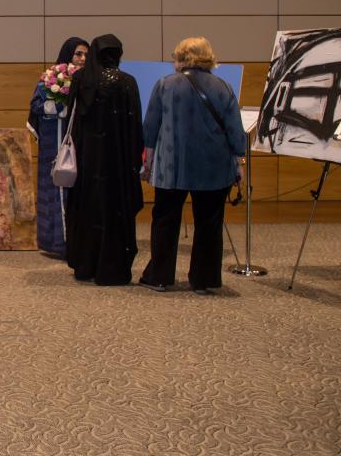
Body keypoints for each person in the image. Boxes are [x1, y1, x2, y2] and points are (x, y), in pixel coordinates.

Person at [138, 37, 247, 295]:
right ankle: (204, 280)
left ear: (182, 57)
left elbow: (150, 129)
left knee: (165, 220)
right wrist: (239, 162)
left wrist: (148, 163)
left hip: (172, 167)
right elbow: (235, 133)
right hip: (214, 167)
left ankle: (160, 276)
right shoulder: (224, 87)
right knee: (209, 223)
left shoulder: (165, 85)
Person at [64, 34, 144, 286]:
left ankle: (85, 263)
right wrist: (134, 158)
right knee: (114, 210)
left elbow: (72, 120)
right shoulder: (127, 82)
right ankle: (111, 267)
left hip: (87, 159)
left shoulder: (80, 79)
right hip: (116, 161)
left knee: (87, 208)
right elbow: (134, 124)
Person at [28, 37, 89, 258]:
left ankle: (77, 242)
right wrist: (53, 106)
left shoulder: (89, 80)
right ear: (68, 55)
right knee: (53, 189)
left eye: (85, 55)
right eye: (78, 54)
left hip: (80, 146)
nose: (82, 59)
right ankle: (54, 242)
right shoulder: (49, 79)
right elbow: (35, 106)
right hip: (53, 146)